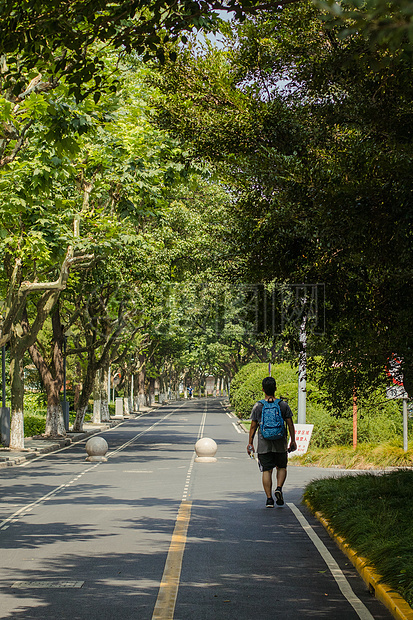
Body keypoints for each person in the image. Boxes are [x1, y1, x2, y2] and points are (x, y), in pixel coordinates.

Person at [247, 376, 297, 508]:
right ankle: (279, 488)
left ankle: (269, 499)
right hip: (280, 442)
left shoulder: (258, 406)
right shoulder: (283, 405)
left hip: (264, 444)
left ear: (263, 389)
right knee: (281, 467)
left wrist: (250, 443)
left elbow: (253, 426)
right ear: (275, 388)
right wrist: (293, 440)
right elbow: (290, 424)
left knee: (267, 470)